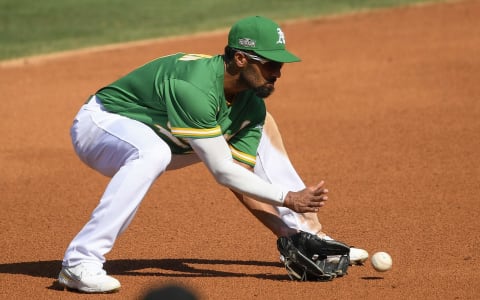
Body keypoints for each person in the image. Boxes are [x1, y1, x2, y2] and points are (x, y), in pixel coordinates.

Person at [58, 16, 366, 293]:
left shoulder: (251, 104)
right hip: (103, 126)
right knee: (152, 153)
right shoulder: (195, 87)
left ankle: (306, 233)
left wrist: (285, 233)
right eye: (270, 64)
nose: (278, 73)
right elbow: (222, 171)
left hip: (168, 137)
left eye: (281, 65)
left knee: (260, 126)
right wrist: (288, 197)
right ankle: (80, 261)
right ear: (241, 59)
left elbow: (240, 178)